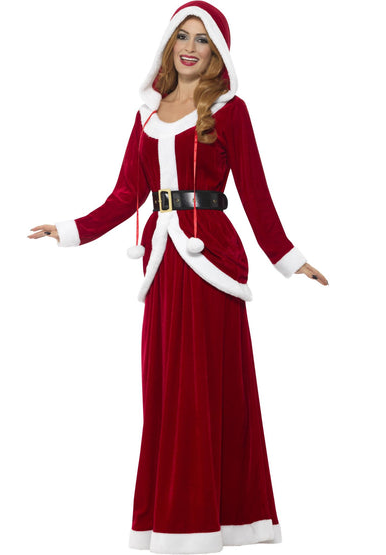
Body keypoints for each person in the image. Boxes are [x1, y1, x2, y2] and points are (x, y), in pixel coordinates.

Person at [28, 1, 328, 552]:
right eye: (183, 36)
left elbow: (256, 193)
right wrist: (70, 230)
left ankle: (216, 522)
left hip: (211, 261)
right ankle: (170, 522)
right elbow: (126, 195)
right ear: (169, 44)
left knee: (208, 388)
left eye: (203, 39)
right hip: (164, 265)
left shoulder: (230, 111)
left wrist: (288, 257)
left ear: (218, 51)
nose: (191, 47)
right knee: (166, 391)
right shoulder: (147, 113)